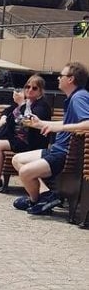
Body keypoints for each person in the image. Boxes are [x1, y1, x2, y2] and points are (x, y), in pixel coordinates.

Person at [11, 62, 89, 215]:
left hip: (65, 154)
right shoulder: (75, 97)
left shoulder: (79, 97)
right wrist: (41, 124)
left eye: (62, 75)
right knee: (17, 160)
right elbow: (69, 123)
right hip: (57, 149)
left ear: (71, 79)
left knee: (25, 172)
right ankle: (44, 197)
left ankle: (37, 200)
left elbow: (87, 123)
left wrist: (59, 128)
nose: (58, 78)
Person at [0, 74, 52, 192]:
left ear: (41, 91)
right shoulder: (26, 101)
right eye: (27, 87)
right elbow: (8, 110)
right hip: (18, 138)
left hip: (31, 142)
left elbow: (29, 122)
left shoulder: (42, 105)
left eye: (34, 88)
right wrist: (3, 116)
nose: (29, 90)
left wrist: (22, 105)